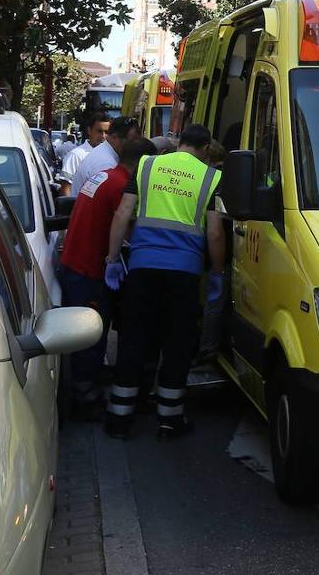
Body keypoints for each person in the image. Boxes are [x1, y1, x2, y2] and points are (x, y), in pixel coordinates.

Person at [103, 124, 225, 441]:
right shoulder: (211, 177)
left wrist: (113, 259)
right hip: (184, 273)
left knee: (134, 338)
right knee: (177, 343)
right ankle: (170, 421)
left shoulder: (147, 165)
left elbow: (122, 214)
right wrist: (217, 273)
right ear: (205, 148)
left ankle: (119, 417)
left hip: (143, 267)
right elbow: (214, 232)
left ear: (180, 143)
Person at [58, 137, 158, 417]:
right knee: (91, 334)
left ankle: (86, 384)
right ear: (142, 164)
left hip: (76, 262)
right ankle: (85, 395)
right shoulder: (121, 185)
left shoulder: (105, 176)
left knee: (88, 332)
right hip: (89, 268)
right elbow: (125, 226)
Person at [74, 115, 141, 190]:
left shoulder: (103, 153)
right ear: (115, 138)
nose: (136, 145)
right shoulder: (107, 165)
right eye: (131, 141)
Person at [60, 112, 110, 195]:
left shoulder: (112, 156)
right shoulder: (75, 156)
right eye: (99, 131)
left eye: (107, 132)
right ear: (89, 131)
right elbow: (66, 188)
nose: (103, 136)